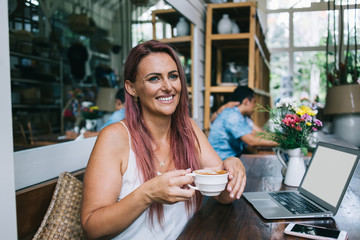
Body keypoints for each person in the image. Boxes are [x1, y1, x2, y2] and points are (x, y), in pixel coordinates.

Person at [81, 40, 246, 240]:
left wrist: (233, 168)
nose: (168, 87)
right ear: (132, 88)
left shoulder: (188, 129)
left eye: (173, 76)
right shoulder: (114, 137)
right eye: (154, 79)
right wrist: (147, 194)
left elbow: (223, 196)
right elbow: (92, 228)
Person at [208, 86, 277, 160]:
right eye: (254, 102)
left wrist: (279, 138)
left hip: (231, 157)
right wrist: (281, 142)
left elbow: (256, 134)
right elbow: (251, 140)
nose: (254, 106)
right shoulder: (232, 116)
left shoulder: (240, 116)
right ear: (246, 101)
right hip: (221, 160)